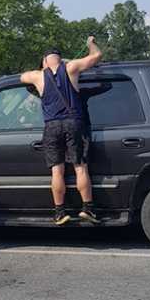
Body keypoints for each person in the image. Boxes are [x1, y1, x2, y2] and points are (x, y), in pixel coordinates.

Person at [20, 36, 103, 225]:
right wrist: (90, 42)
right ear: (60, 58)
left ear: (44, 60)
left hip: (51, 126)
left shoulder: (37, 76)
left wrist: (42, 69)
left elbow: (21, 77)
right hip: (74, 124)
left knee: (57, 172)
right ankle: (87, 209)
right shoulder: (71, 67)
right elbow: (97, 55)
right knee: (80, 168)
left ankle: (59, 212)